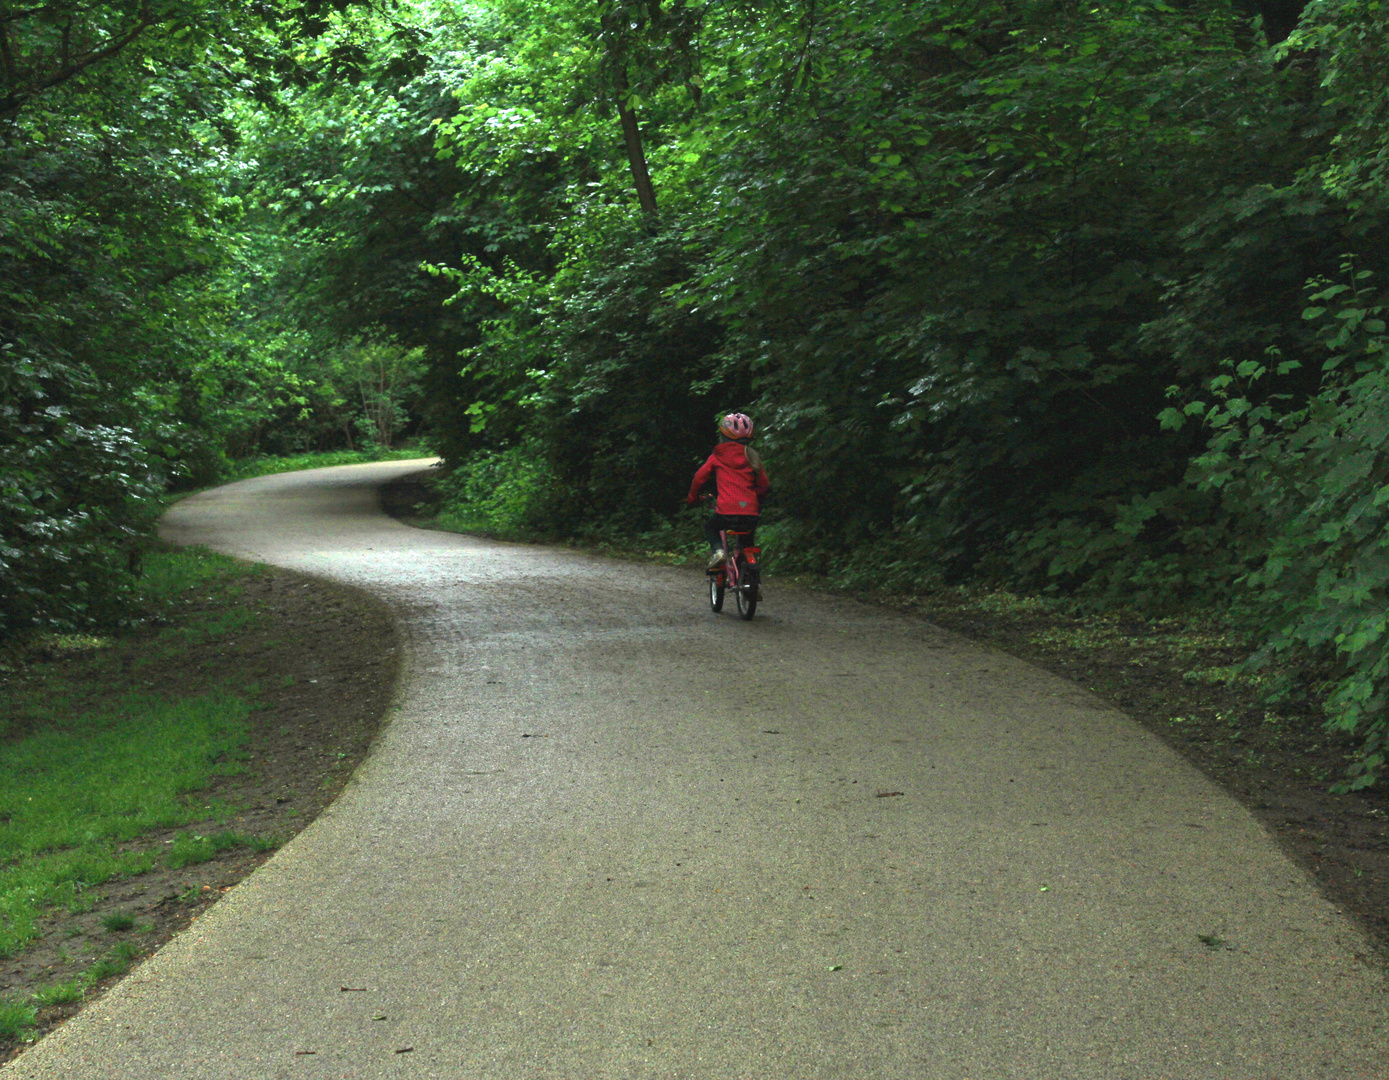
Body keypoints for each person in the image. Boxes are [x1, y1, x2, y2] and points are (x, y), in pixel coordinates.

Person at [686, 412, 770, 570]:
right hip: (750, 512)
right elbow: (764, 485)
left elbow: (699, 478)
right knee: (747, 542)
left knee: (711, 527)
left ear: (723, 435)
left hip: (726, 511)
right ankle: (751, 580)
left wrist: (693, 497)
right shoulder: (753, 456)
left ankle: (718, 552)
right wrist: (754, 499)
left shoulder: (718, 456)